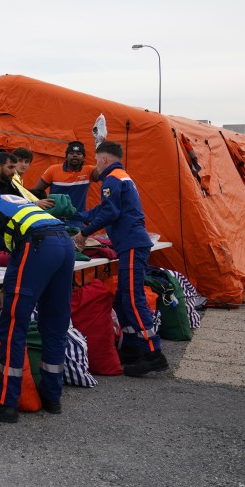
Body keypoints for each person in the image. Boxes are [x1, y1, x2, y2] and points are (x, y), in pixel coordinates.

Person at [0, 194, 75, 423]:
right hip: (64, 242)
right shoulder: (3, 200)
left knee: (13, 326)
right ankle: (52, 397)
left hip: (37, 245)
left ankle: (5, 403)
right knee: (55, 323)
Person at [74, 141, 166, 376]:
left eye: (96, 160)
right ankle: (133, 348)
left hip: (132, 244)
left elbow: (110, 212)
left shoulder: (112, 179)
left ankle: (153, 353)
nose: (95, 165)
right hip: (130, 244)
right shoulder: (121, 176)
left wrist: (84, 233)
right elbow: (104, 209)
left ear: (104, 159)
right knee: (123, 297)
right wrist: (76, 215)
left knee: (133, 299)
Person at [32, 141, 95, 223]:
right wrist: (39, 204)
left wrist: (99, 146)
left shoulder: (89, 171)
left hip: (76, 220)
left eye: (79, 153)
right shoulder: (53, 170)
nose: (75, 155)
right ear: (66, 157)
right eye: (71, 153)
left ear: (83, 158)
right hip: (53, 219)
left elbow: (103, 171)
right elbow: (36, 192)